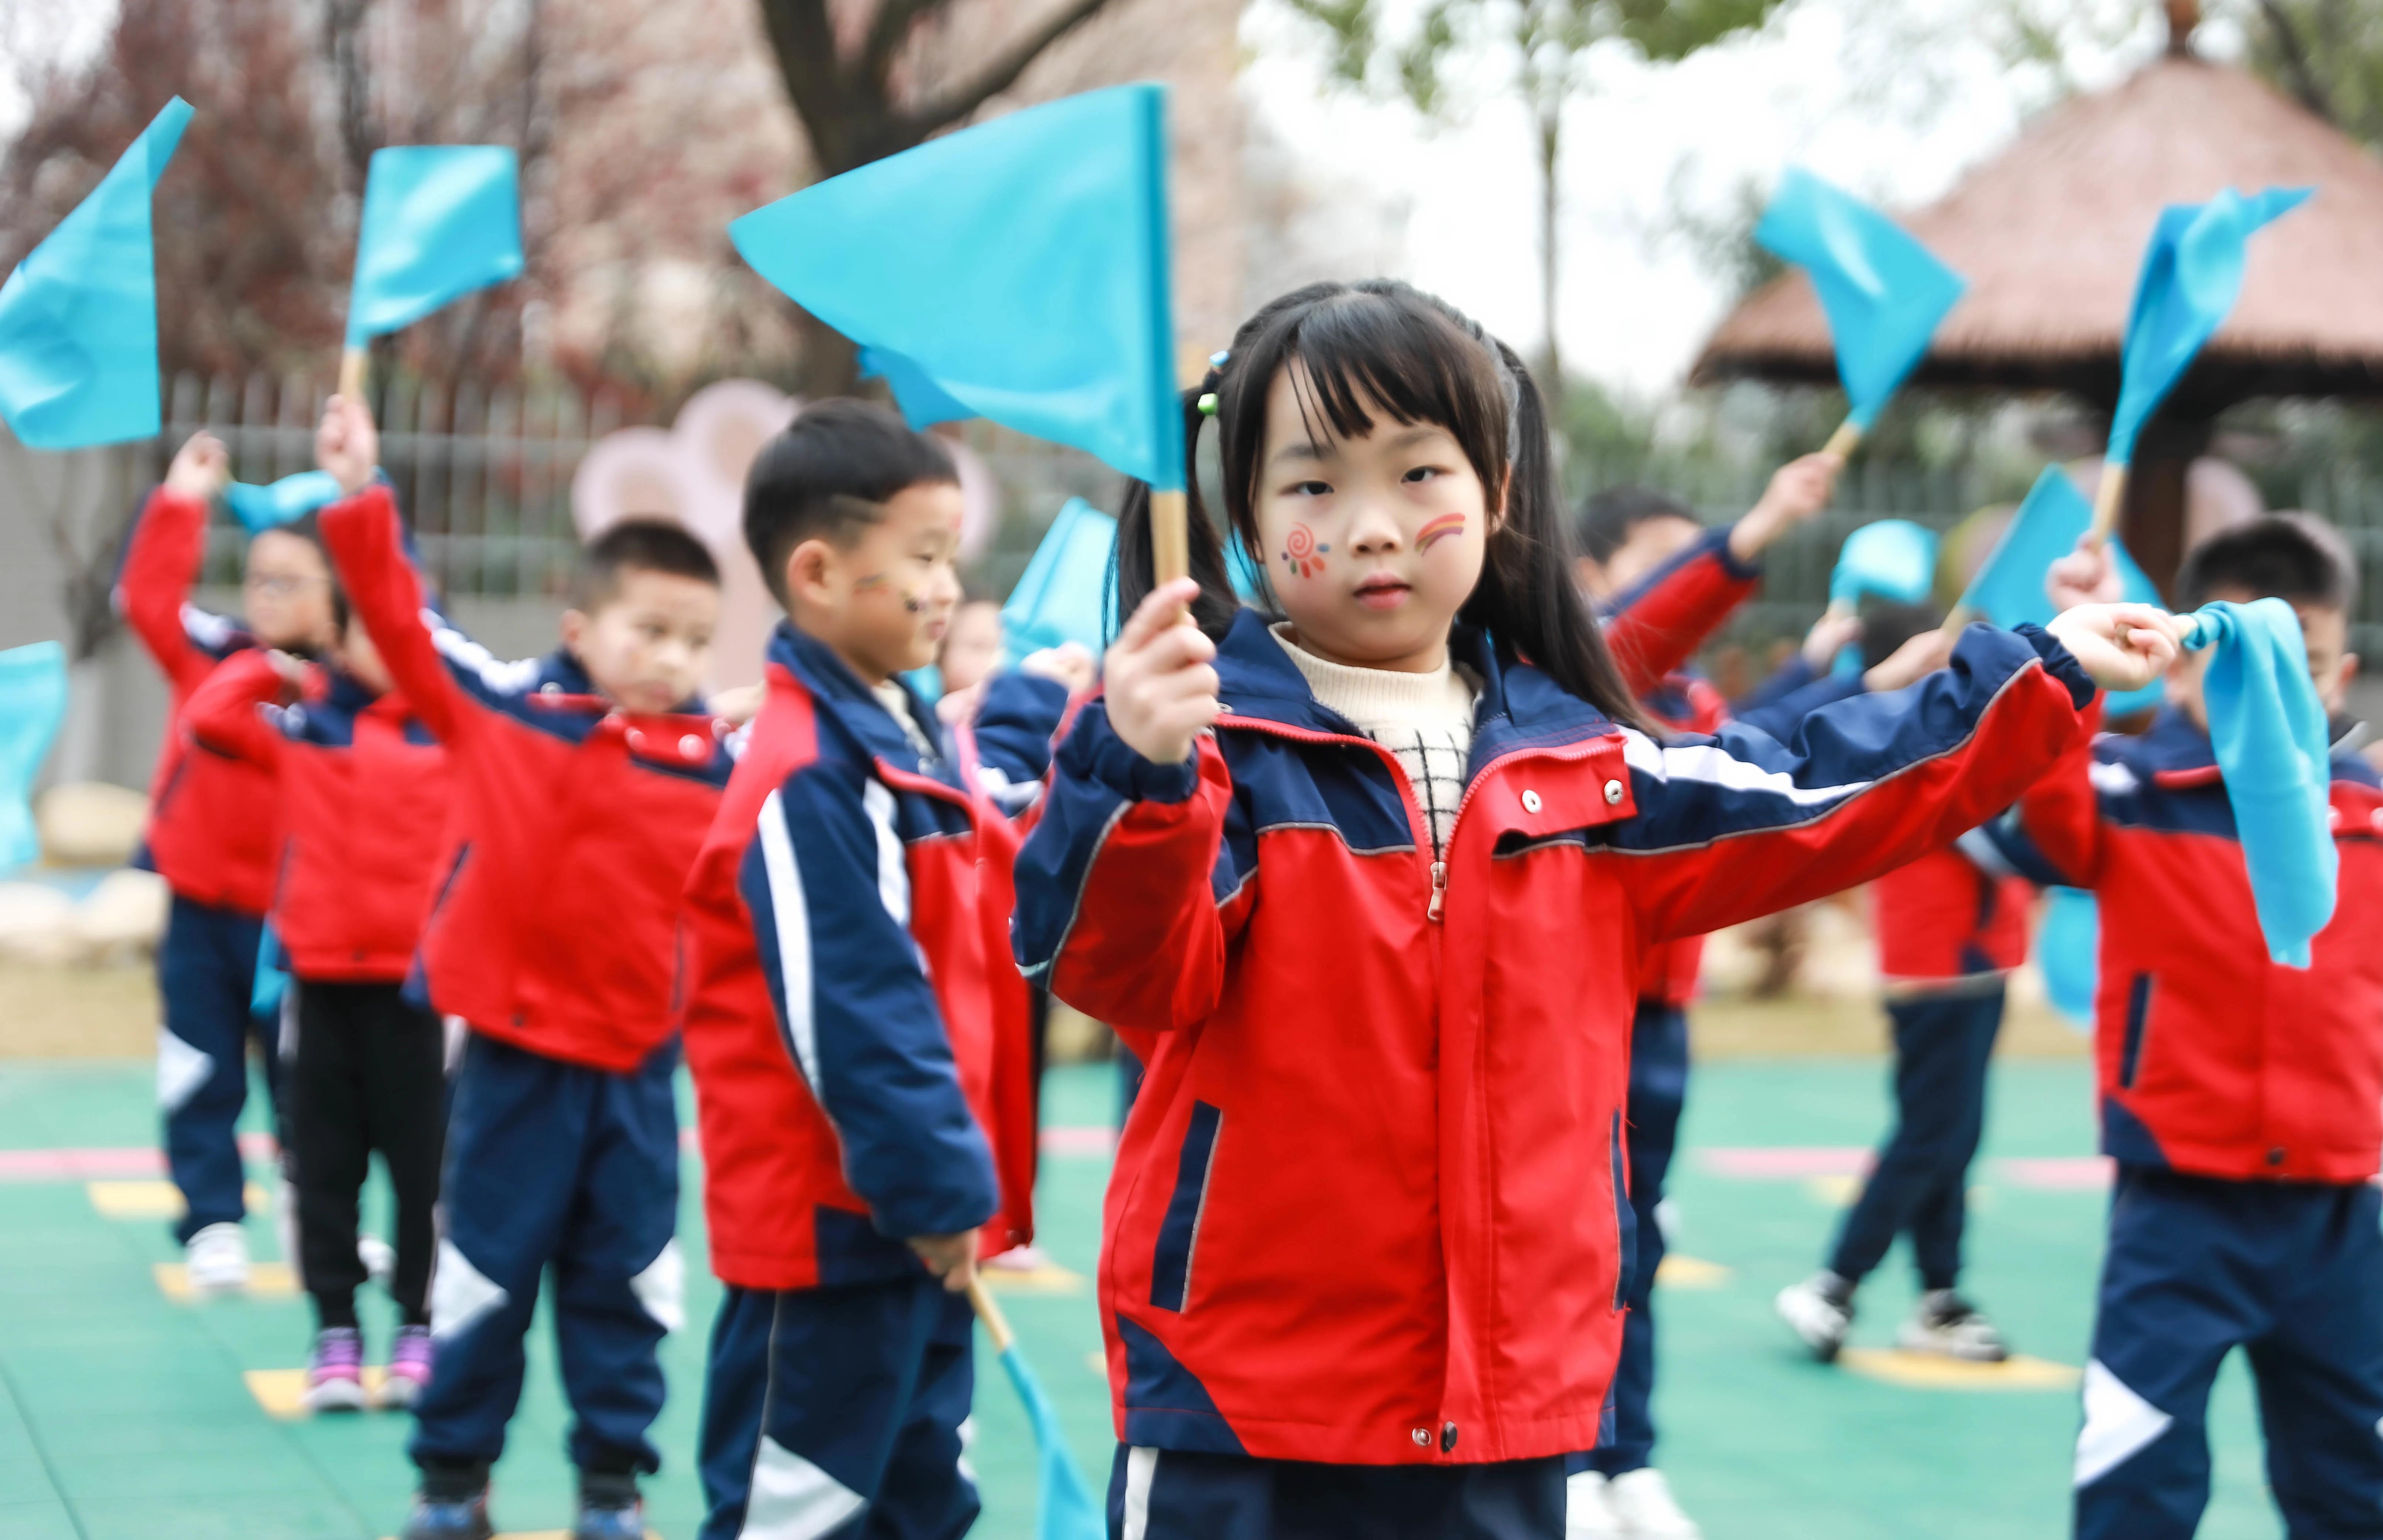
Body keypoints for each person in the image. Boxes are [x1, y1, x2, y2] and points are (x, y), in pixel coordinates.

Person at [1010, 278, 2173, 1540]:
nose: (1372, 527)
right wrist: (1137, 769)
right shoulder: (1205, 746)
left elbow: (1824, 789)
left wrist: (2046, 667)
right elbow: (1121, 974)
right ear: (1239, 509)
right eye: (1311, 486)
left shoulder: (1593, 769)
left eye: (1417, 474)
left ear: (1498, 495)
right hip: (1242, 1404)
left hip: (1511, 1401)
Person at [313, 396, 735, 1540]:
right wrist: (360, 497)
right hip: (511, 1065)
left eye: (695, 640)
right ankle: (453, 1482)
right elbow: (406, 629)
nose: (671, 659)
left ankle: (613, 1485)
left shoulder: (721, 768)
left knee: (628, 1288)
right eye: (648, 629)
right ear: (580, 625)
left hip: (637, 1082)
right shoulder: (516, 715)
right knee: (482, 1282)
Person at [678, 399, 1066, 1540]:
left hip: (910, 1210)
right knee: (801, 1510)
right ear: (816, 573)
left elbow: (988, 806)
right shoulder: (805, 772)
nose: (948, 588)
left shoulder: (896, 734)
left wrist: (1047, 697)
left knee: (919, 1497)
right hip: (834, 1232)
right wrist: (935, 1189)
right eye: (925, 559)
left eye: (953, 558)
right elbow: (850, 1006)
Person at [1981, 516, 2383, 1540]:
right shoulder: (2128, 795)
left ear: (2334, 673)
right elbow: (2028, 809)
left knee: (2351, 1484)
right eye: (2235, 655)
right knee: (2133, 1483)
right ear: (2175, 662)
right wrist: (2070, 651)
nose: (2266, 685)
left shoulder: (2368, 820)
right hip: (2175, 1211)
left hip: (2338, 1212)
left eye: (2293, 659)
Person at [1565, 490, 1950, 1540]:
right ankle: (1564, 1459)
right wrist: (1752, 531)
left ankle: (1624, 1457)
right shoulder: (1566, 685)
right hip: (1580, 1012)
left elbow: (1750, 747)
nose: (1693, 578)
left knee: (1633, 1245)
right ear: (1597, 578)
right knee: (1574, 1246)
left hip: (1661, 1018)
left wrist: (1867, 683)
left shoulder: (1685, 691)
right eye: (1670, 561)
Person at [180, 556, 452, 1415]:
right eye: (363, 625)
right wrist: (284, 650)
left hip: (415, 997)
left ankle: (418, 1325)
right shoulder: (300, 724)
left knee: (423, 1172)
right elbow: (209, 714)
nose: (383, 644)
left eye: (400, 627)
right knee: (324, 1171)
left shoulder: (452, 733)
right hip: (320, 987)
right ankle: (334, 1331)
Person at [1774, 601, 2030, 1367]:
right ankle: (1835, 1282)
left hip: (1972, 959)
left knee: (1950, 1135)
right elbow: (2002, 842)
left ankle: (1938, 1297)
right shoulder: (1933, 740)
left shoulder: (1964, 737)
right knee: (1930, 1135)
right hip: (1936, 964)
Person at [118, 432, 340, 1290]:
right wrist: (182, 500)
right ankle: (211, 1218)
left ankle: (314, 1217)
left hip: (298, 921)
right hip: (204, 911)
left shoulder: (346, 691)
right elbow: (145, 598)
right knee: (197, 1063)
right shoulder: (216, 653)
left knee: (307, 1083)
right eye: (258, 578)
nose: (267, 595)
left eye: (291, 581)